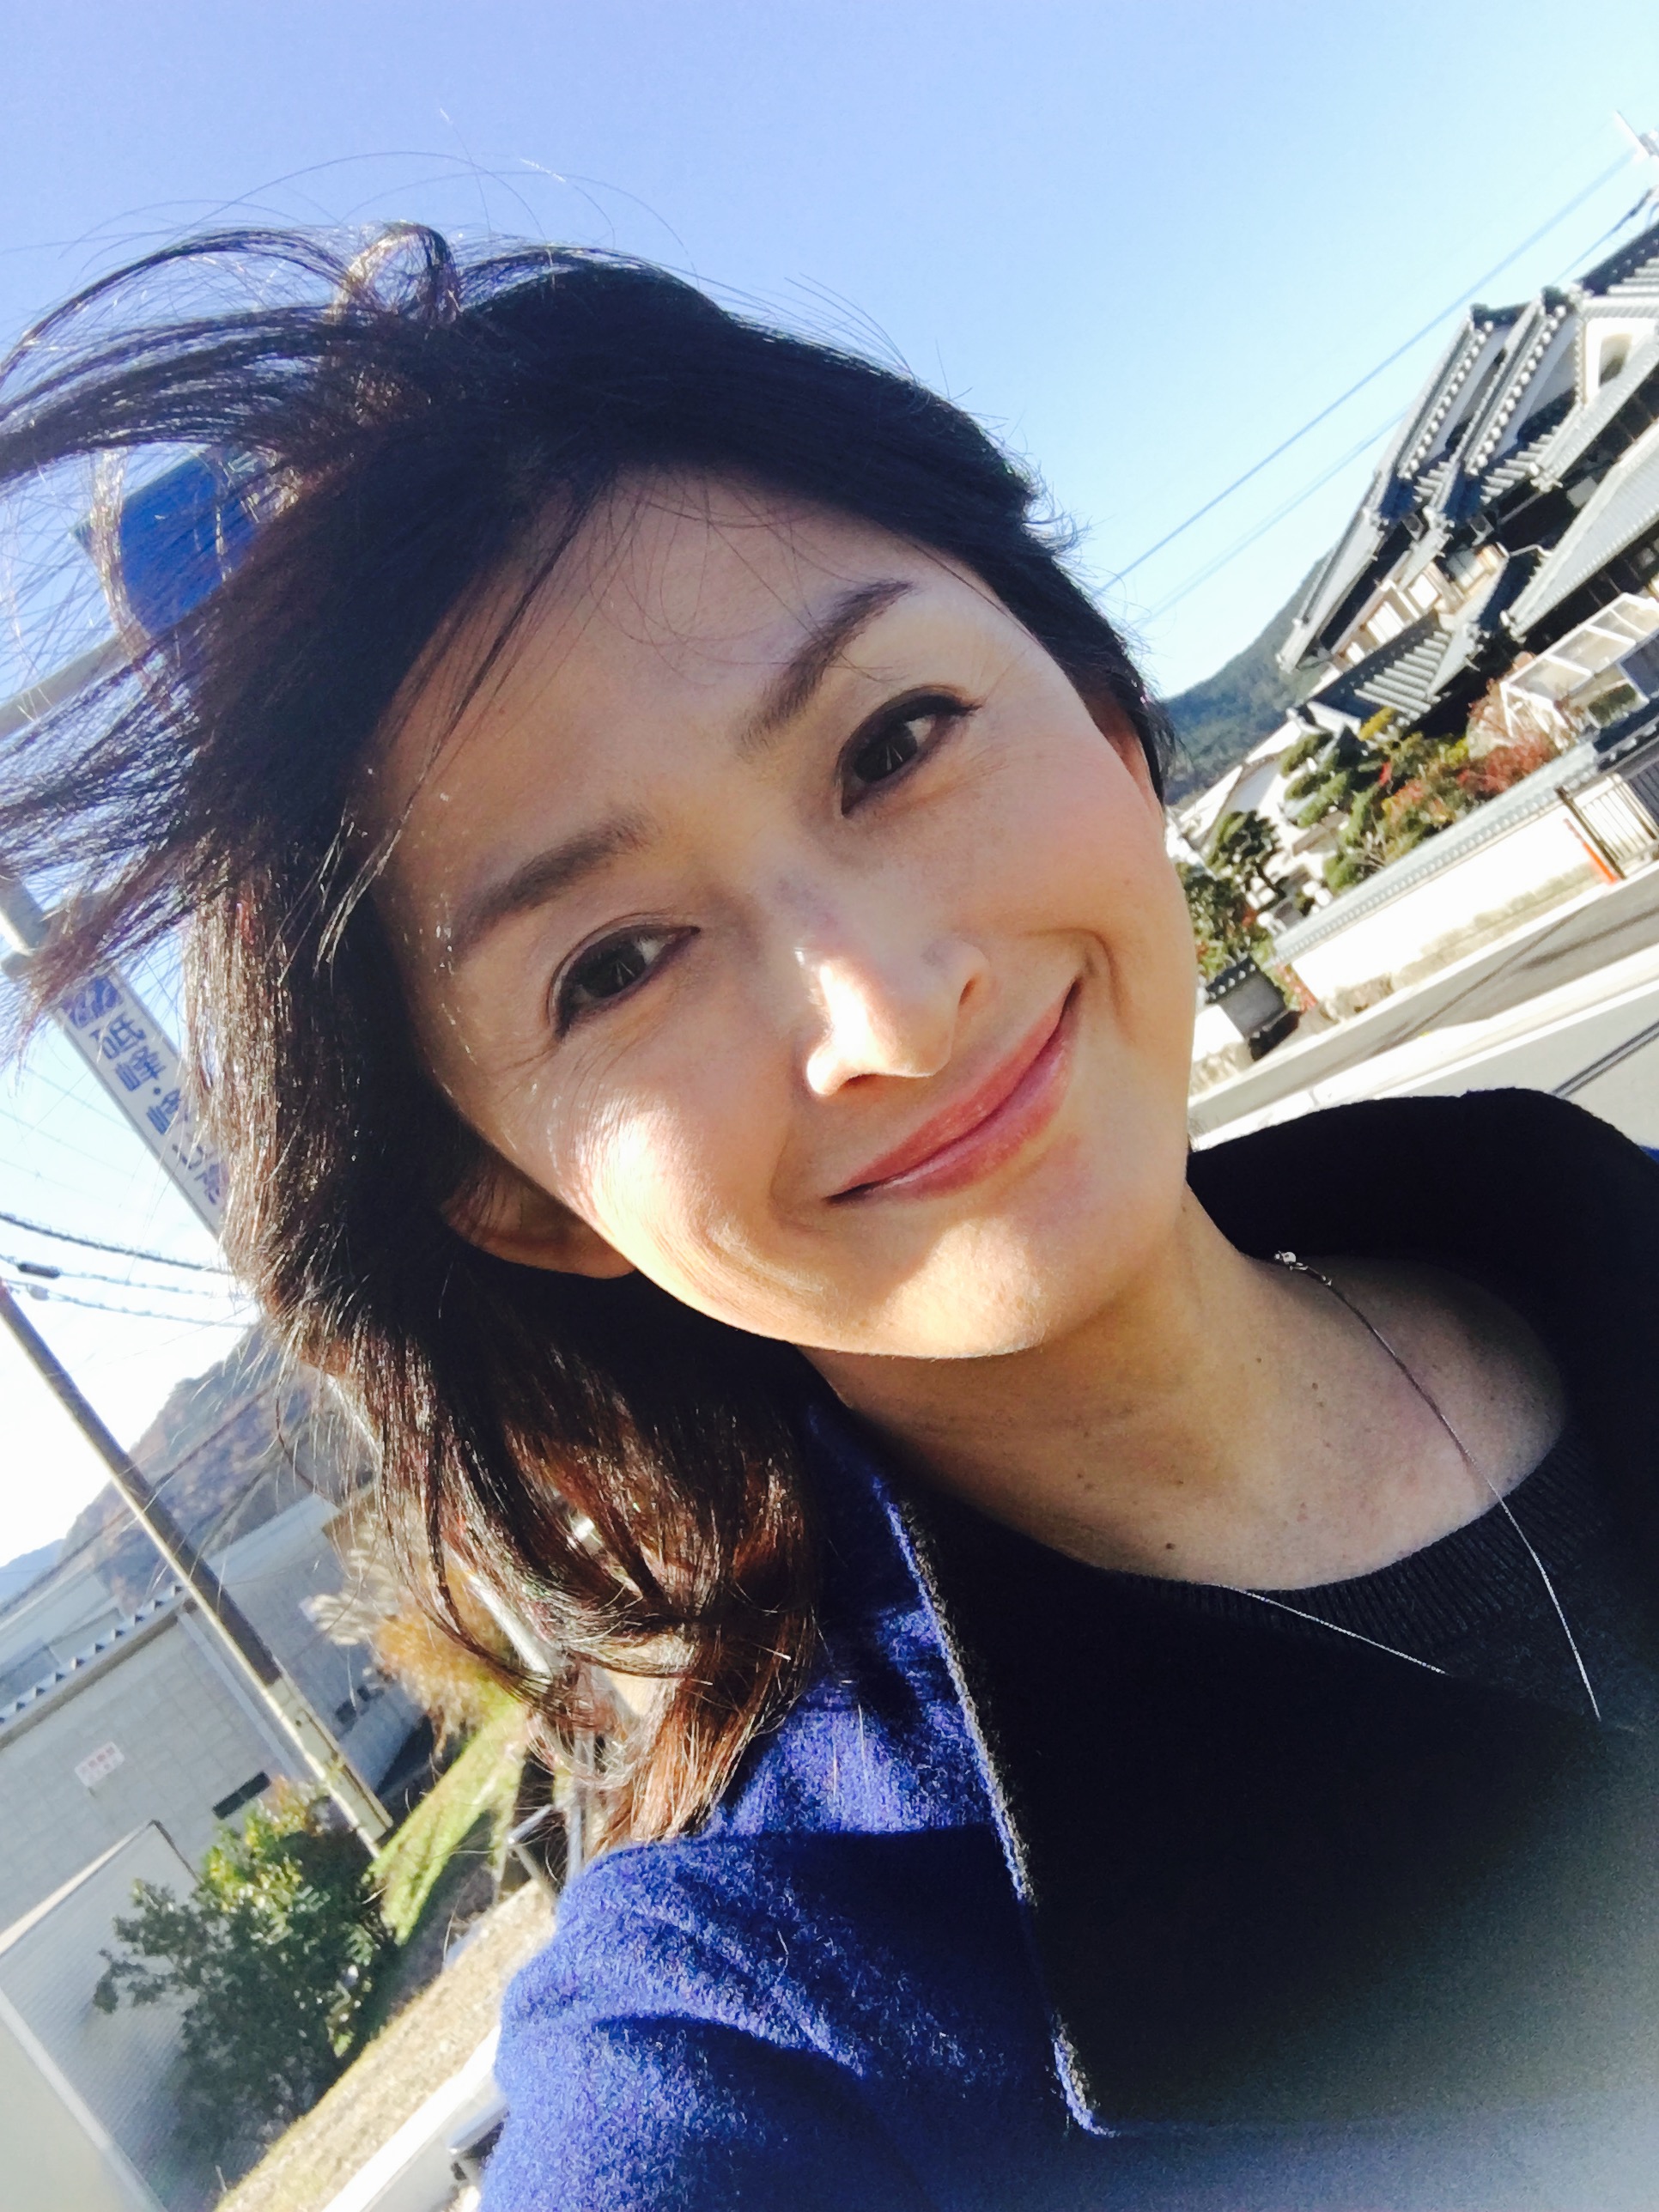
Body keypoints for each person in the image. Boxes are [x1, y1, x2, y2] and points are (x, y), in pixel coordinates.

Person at [3, 228, 1659, 2212]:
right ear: (521, 1197)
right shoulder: (765, 2041)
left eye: (893, 743)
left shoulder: (1571, 1226)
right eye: (616, 965)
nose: (889, 1009)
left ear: (1096, 703)